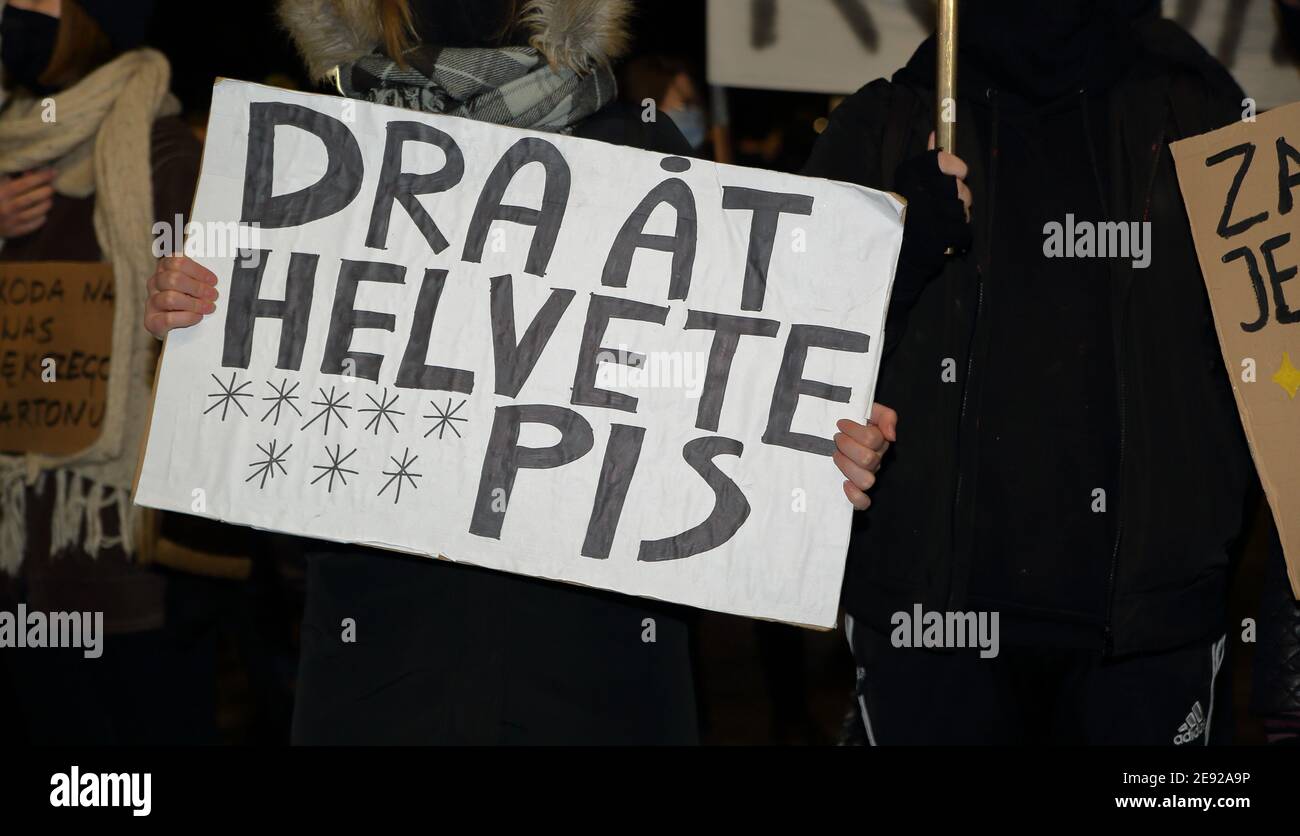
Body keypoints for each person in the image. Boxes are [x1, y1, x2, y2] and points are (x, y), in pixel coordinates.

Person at [144, 0, 896, 744]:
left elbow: (733, 384)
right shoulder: (323, 151)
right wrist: (196, 326)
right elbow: (252, 449)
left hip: (592, 659)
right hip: (383, 648)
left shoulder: (643, 150)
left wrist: (826, 448)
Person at [803, 0, 1253, 744]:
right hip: (931, 633)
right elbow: (789, 359)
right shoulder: (887, 125)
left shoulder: (1200, 113)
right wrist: (895, 254)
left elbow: (1271, 365)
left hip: (1147, 637)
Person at [0, 0, 253, 743]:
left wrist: (195, 292)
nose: (12, 12)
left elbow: (230, 319)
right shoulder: (13, 145)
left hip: (121, 567)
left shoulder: (162, 147)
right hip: (17, 557)